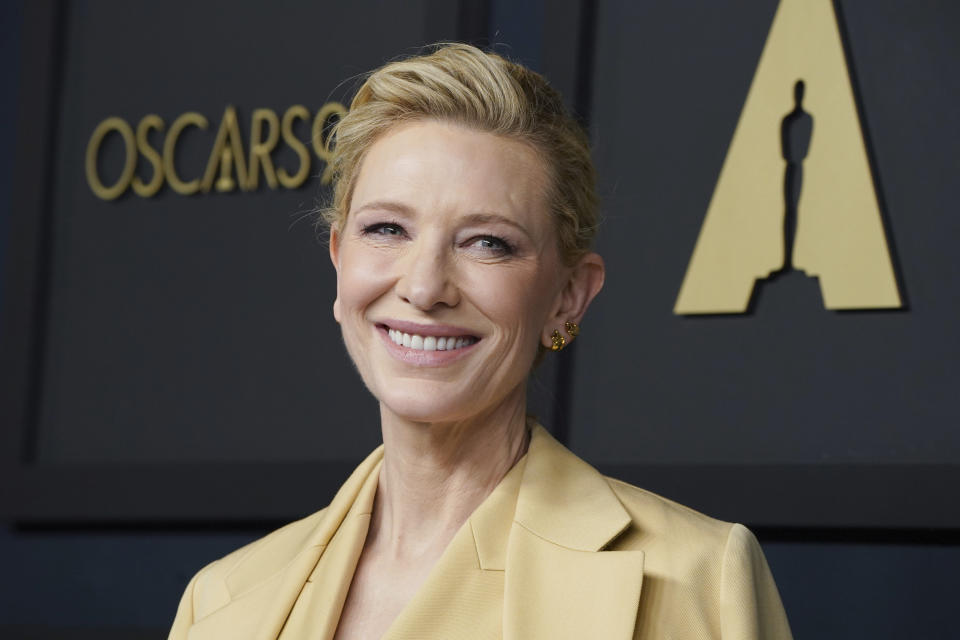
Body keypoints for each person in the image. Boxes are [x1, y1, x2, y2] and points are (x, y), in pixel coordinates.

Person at [168, 43, 793, 640]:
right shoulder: (220, 599)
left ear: (569, 295)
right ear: (338, 262)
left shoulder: (702, 582)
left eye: (487, 242)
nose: (423, 285)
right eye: (386, 228)